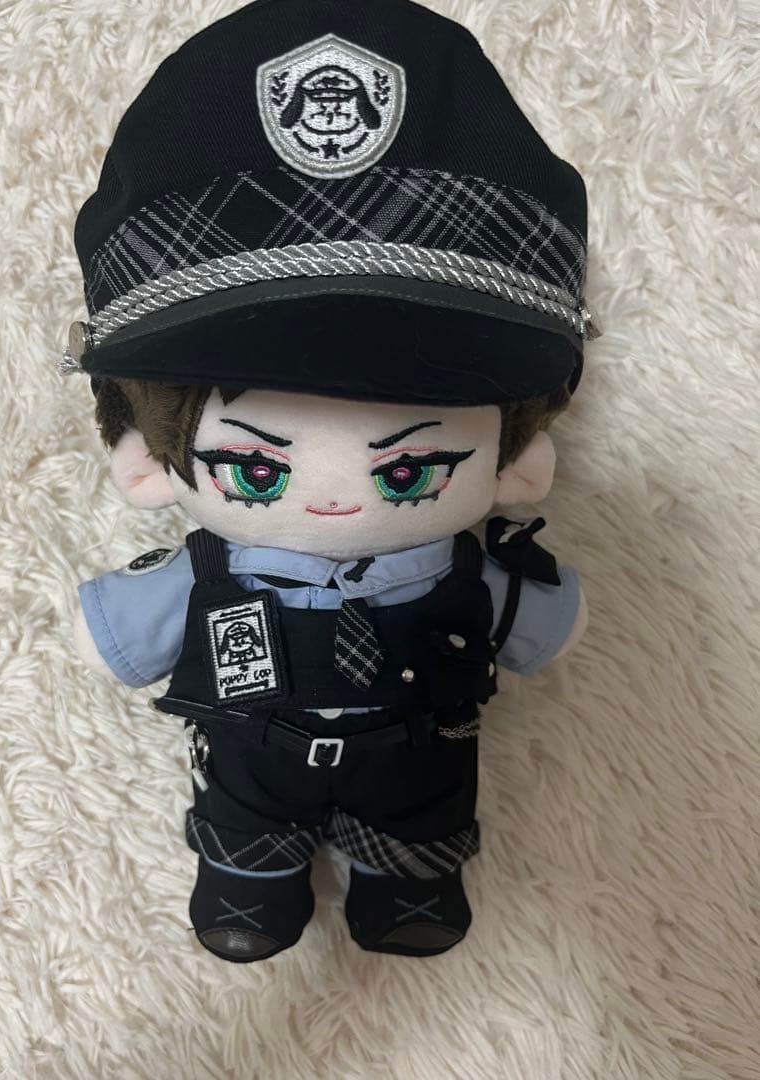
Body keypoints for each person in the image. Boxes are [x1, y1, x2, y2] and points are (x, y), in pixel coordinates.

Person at [64, 0, 596, 962]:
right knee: (241, 836)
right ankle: (249, 877)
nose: (338, 498)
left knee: (424, 825)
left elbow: (541, 628)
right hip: (254, 768)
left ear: (518, 463)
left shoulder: (465, 575)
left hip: (416, 769)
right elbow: (120, 640)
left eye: (410, 468)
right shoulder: (208, 577)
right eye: (256, 469)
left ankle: (408, 879)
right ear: (147, 464)